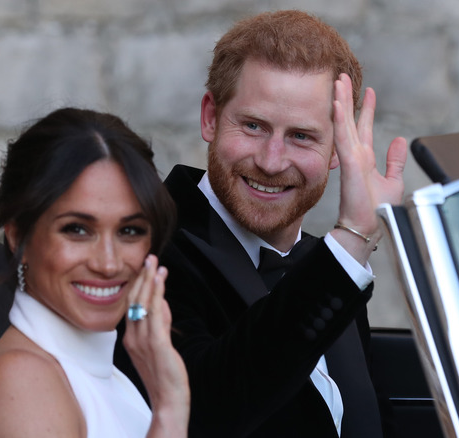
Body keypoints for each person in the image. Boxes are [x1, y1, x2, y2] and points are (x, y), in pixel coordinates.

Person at [115, 9, 408, 438]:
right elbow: (203, 410)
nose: (272, 161)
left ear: (335, 153)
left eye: (301, 136)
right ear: (211, 118)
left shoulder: (324, 264)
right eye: (253, 126)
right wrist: (352, 240)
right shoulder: (146, 247)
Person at [0, 108, 190, 438]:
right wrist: (169, 410)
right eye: (77, 230)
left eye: (130, 231)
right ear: (18, 236)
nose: (108, 264)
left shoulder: (106, 374)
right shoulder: (21, 381)